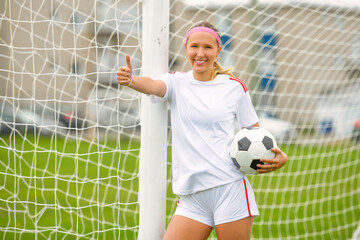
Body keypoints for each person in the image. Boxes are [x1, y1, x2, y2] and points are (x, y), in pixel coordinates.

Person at [117, 21, 287, 240]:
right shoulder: (177, 82)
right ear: (186, 47)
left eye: (208, 47)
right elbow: (154, 85)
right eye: (194, 46)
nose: (200, 53)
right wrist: (131, 80)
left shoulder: (234, 87)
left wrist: (277, 157)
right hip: (192, 197)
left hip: (229, 190)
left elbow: (255, 135)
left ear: (218, 50)